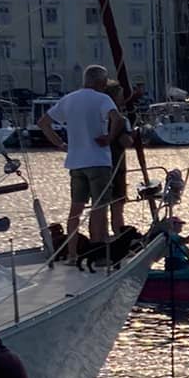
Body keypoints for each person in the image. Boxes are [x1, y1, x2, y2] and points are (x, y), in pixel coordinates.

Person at [38, 65, 123, 260]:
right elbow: (116, 118)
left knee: (75, 209)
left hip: (76, 162)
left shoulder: (69, 99)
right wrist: (109, 138)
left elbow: (43, 122)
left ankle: (73, 253)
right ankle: (98, 250)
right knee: (99, 207)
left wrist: (60, 144)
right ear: (101, 82)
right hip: (98, 161)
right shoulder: (103, 99)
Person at [106, 82, 130, 241]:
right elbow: (125, 142)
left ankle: (100, 237)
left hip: (100, 164)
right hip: (116, 166)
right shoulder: (119, 119)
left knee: (99, 206)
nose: (123, 100)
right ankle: (119, 236)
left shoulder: (99, 116)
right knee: (117, 205)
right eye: (120, 96)